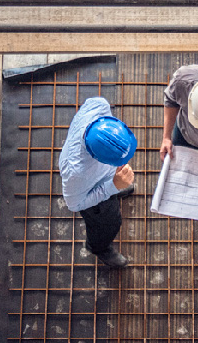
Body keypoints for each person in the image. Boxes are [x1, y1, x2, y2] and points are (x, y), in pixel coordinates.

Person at [59, 97, 137, 269]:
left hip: (104, 177)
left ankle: (116, 189)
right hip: (92, 194)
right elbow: (75, 204)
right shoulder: (76, 173)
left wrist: (114, 183)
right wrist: (112, 187)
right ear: (98, 159)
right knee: (109, 223)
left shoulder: (98, 106)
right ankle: (99, 248)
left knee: (115, 190)